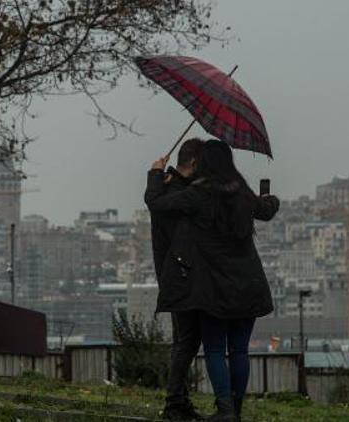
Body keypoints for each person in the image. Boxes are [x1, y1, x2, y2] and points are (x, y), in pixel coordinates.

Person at [144, 140, 280, 422]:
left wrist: (156, 172)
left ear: (202, 163)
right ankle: (236, 409)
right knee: (240, 350)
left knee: (215, 348)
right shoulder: (242, 193)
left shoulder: (198, 195)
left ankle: (225, 410)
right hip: (249, 284)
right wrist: (271, 198)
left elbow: (156, 203)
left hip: (214, 288)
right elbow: (266, 210)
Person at [148, 139, 205, 421]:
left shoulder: (169, 186)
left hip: (175, 274)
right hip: (180, 275)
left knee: (184, 339)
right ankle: (174, 403)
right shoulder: (174, 192)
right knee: (188, 340)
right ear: (194, 163)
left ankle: (179, 401)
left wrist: (157, 175)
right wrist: (156, 176)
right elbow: (156, 203)